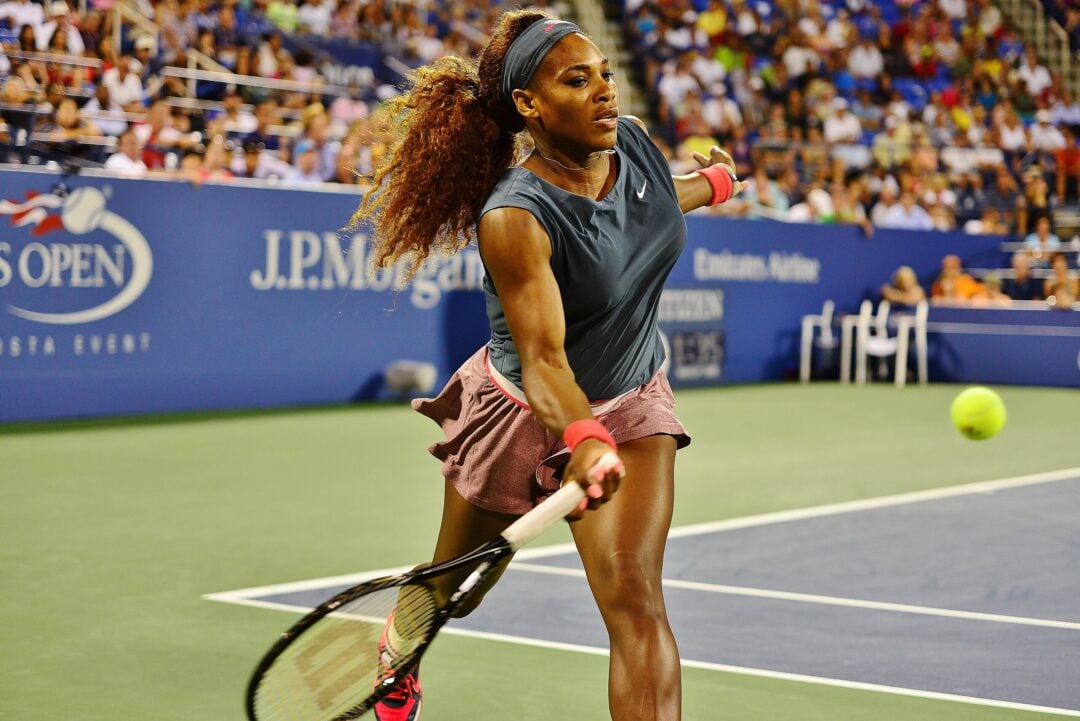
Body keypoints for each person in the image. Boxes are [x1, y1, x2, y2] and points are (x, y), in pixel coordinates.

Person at [348, 11, 746, 721]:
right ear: (529, 105)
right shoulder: (515, 215)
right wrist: (583, 441)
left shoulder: (631, 144)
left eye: (605, 75)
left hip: (631, 400)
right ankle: (398, 651)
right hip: (520, 413)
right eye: (576, 79)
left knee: (635, 599)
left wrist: (714, 182)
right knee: (453, 589)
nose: (603, 91)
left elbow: (652, 203)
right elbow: (544, 362)